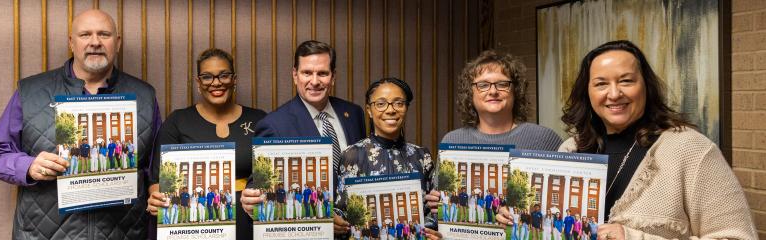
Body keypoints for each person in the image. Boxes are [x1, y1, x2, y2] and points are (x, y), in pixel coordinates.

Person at [0, 9, 160, 239]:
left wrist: (157, 190)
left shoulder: (144, 96)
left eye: (104, 34)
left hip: (124, 232)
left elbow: (155, 169)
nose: (95, 42)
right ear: (71, 43)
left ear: (118, 42)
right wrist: (28, 166)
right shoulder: (31, 92)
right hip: (43, 234)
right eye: (85, 34)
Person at [559, 40, 756, 239]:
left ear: (646, 86)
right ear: (587, 92)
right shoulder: (571, 150)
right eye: (601, 84)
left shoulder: (690, 149)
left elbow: (737, 237)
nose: (614, 94)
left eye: (626, 81)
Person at [241, 39, 367, 228]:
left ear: (333, 77)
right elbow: (260, 183)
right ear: (295, 75)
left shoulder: (353, 113)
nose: (314, 81)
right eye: (307, 72)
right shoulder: (274, 125)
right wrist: (250, 199)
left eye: (322, 73)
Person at [146, 48, 266, 238]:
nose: (216, 83)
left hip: (249, 223)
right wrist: (156, 198)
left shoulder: (259, 119)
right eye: (207, 77)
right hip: (195, 226)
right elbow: (157, 179)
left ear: (234, 79)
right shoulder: (178, 121)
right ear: (198, 82)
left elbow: (272, 177)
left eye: (224, 75)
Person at [438, 50, 563, 226]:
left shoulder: (544, 139)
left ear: (515, 91)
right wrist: (436, 200)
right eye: (483, 85)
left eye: (502, 84)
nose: (493, 91)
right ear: (470, 93)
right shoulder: (452, 141)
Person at [333, 78, 441, 239]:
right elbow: (342, 209)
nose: (391, 110)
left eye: (398, 103)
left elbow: (432, 211)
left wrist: (429, 232)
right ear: (369, 110)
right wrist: (333, 220)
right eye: (381, 103)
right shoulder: (352, 154)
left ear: (406, 108)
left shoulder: (421, 155)